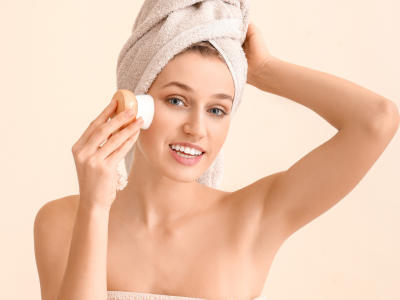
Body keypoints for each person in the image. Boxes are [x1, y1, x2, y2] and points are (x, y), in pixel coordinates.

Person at [33, 20, 399, 300]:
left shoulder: (254, 218)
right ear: (135, 105)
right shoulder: (62, 222)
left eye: (217, 109)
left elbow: (377, 120)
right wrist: (95, 207)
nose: (197, 128)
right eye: (177, 100)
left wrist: (264, 69)